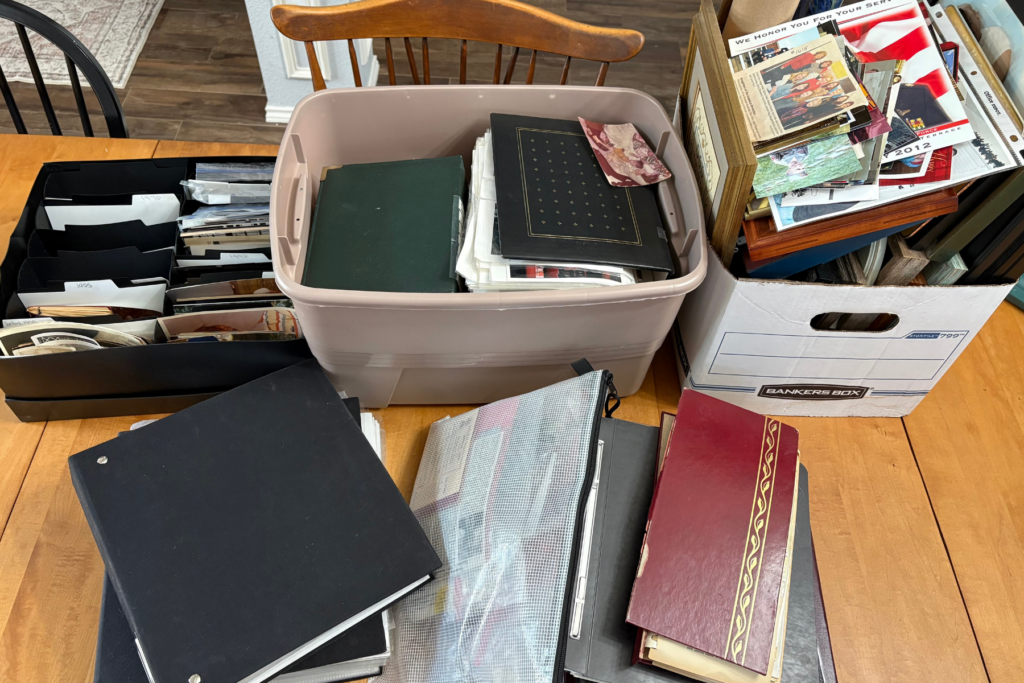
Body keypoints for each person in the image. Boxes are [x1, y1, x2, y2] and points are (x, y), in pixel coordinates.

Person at [760, 50, 828, 85]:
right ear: (818, 53)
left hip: (793, 71)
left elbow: (804, 69)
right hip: (789, 66)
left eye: (821, 56)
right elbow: (796, 59)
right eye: (820, 54)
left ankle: (764, 81)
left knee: (778, 76)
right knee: (775, 72)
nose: (820, 56)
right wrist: (785, 65)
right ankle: (762, 78)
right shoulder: (809, 55)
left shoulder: (813, 62)